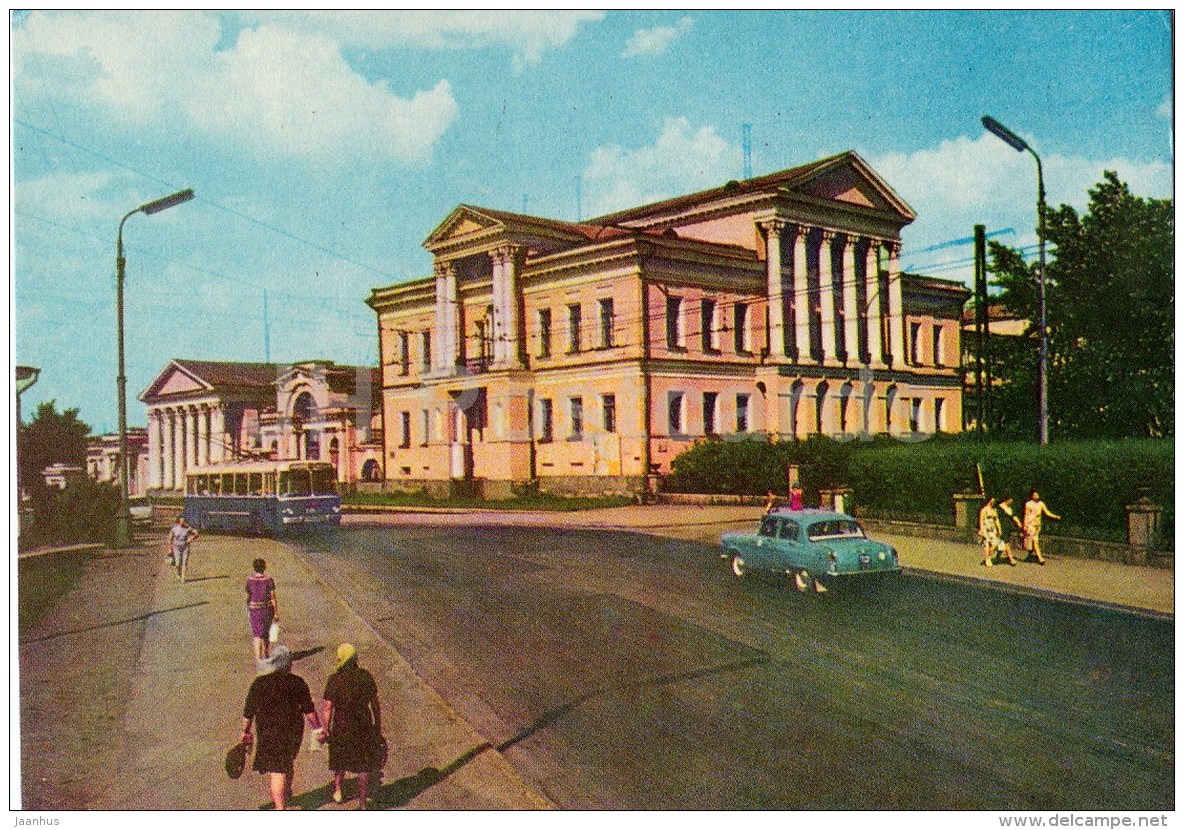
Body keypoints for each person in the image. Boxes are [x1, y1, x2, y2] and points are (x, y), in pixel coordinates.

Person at [240, 646, 323, 811]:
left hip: (267, 731)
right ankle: (280, 808)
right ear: (288, 664)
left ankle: (285, 794)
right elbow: (309, 711)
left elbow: (248, 712)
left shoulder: (259, 683)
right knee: (280, 769)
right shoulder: (297, 682)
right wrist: (319, 728)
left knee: (281, 767)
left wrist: (245, 731)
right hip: (291, 733)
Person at [321, 644, 384, 810]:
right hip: (363, 724)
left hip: (341, 725)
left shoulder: (334, 679)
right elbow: (375, 705)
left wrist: (325, 729)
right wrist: (378, 725)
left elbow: (328, 707)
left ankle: (339, 791)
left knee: (340, 760)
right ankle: (363, 803)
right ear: (355, 658)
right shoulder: (366, 676)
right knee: (363, 765)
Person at [246, 558, 279, 662]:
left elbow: (247, 597)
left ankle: (258, 659)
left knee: (256, 634)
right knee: (265, 633)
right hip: (267, 609)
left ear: (254, 568)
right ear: (264, 567)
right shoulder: (269, 580)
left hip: (254, 609)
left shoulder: (249, 580)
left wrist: (249, 606)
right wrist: (276, 613)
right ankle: (266, 655)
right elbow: (273, 597)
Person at [1022, 491, 1060, 565]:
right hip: (1031, 524)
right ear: (1032, 496)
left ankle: (1029, 555)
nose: (1036, 496)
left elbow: (1047, 512)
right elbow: (1026, 515)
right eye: (1034, 495)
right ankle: (1040, 558)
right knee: (1035, 541)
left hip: (1037, 525)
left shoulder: (1041, 504)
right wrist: (1025, 525)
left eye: (1037, 494)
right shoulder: (1028, 504)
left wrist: (1055, 516)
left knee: (1034, 541)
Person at [977, 497, 1016, 567]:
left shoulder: (994, 510)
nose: (993, 502)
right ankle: (987, 559)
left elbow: (996, 520)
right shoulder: (984, 510)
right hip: (986, 529)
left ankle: (989, 556)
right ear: (989, 501)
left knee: (995, 543)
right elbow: (981, 520)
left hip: (993, 529)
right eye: (992, 501)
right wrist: (981, 529)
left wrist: (999, 529)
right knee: (987, 544)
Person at [167, 515, 198, 582]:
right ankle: (178, 574)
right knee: (178, 563)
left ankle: (183, 577)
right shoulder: (174, 528)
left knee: (184, 562)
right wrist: (170, 548)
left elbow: (196, 533)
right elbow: (170, 538)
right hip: (176, 547)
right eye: (181, 521)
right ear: (178, 521)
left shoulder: (187, 528)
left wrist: (191, 538)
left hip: (185, 547)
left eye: (183, 521)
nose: (182, 522)